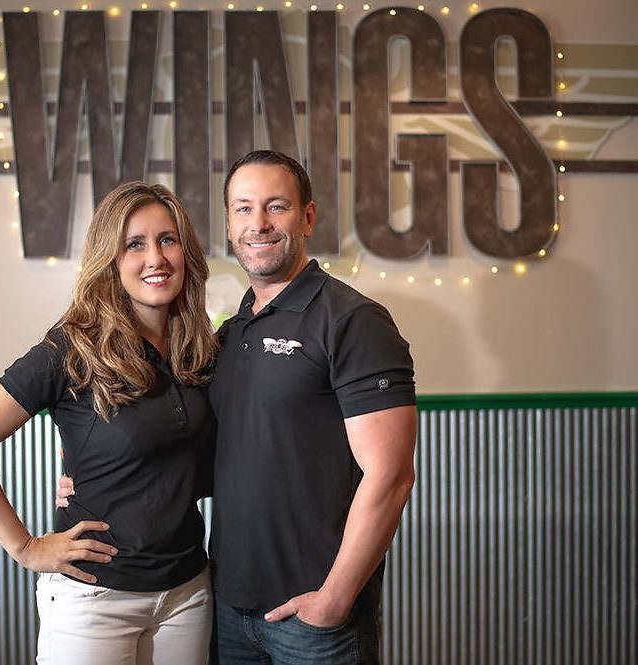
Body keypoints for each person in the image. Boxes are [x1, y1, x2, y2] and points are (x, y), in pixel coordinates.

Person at [59, 150, 417, 664]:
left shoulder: (352, 321)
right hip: (225, 606)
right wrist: (92, 476)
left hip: (314, 619)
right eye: (243, 209)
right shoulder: (227, 336)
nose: (259, 224)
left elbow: (391, 475)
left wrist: (334, 600)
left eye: (277, 207)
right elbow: (201, 454)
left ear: (308, 217)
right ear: (228, 223)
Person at [0, 181, 218, 665]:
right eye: (135, 244)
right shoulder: (73, 348)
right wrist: (24, 547)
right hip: (95, 599)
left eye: (167, 239)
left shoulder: (202, 348)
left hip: (187, 593)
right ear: (111, 259)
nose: (156, 258)